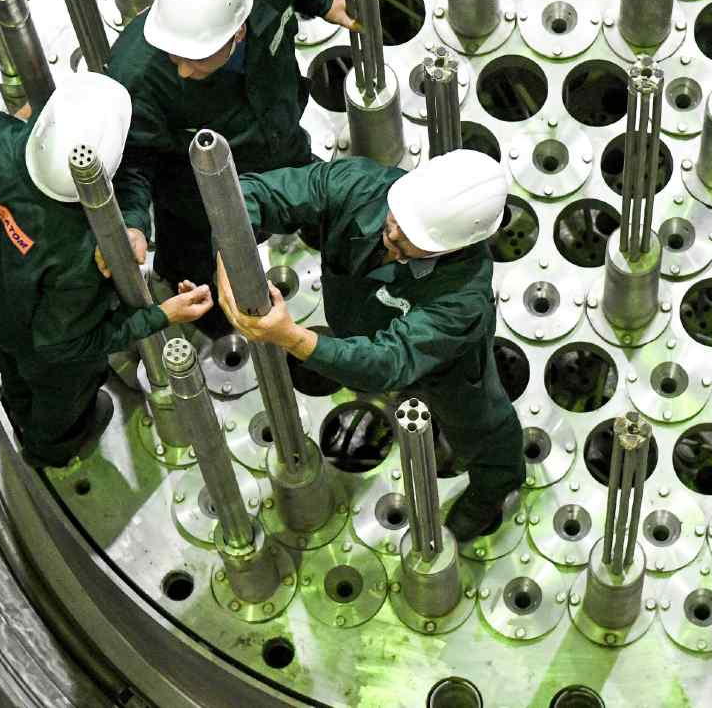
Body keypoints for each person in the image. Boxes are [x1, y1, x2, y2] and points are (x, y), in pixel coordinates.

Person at [0, 73, 214, 469]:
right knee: (60, 404)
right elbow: (65, 347)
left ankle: (19, 410)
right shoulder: (82, 253)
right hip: (46, 352)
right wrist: (163, 315)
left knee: (11, 371)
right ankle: (52, 450)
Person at [215, 150, 526, 542]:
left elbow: (388, 361)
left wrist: (291, 337)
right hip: (356, 323)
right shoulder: (356, 184)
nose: (392, 234)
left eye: (411, 239)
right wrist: (229, 260)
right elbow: (248, 194)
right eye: (395, 220)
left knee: (480, 425)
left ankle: (494, 490)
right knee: (354, 358)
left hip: (445, 364)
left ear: (452, 248)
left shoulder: (464, 297)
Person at [105, 0, 358, 334]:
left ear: (237, 32)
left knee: (318, 199)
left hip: (281, 142)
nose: (184, 70)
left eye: (197, 59)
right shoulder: (135, 76)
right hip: (197, 197)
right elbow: (134, 161)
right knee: (210, 292)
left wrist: (324, 2)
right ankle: (219, 324)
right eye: (175, 57)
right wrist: (133, 220)